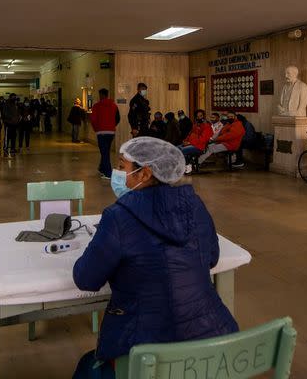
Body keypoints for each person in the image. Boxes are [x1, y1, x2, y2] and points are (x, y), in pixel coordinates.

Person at [72, 137, 238, 378]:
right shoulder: (194, 205)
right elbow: (212, 257)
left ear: (144, 174)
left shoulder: (118, 217)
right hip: (211, 347)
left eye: (122, 166)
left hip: (146, 353)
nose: (117, 173)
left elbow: (86, 278)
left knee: (88, 366)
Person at [89, 88, 120, 179]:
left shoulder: (96, 106)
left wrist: (96, 129)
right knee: (106, 151)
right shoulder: (114, 105)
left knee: (105, 153)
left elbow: (93, 119)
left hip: (101, 132)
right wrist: (112, 126)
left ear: (101, 95)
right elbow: (118, 118)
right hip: (111, 132)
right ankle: (102, 168)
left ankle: (108, 173)